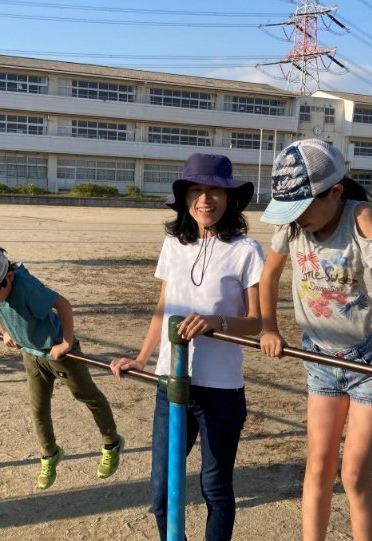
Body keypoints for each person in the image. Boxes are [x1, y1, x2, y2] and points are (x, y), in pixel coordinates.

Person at [258, 139, 372, 541]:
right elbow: (268, 277)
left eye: (304, 206)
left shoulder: (361, 218)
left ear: (336, 192)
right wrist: (269, 328)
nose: (298, 218)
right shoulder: (292, 226)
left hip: (369, 361)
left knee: (354, 474)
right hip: (320, 358)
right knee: (318, 467)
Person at [110, 153, 264, 541]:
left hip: (221, 391)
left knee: (215, 489)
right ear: (185, 198)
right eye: (196, 190)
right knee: (162, 492)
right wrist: (142, 358)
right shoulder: (174, 244)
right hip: (170, 385)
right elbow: (163, 309)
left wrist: (217, 322)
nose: (205, 199)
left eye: (215, 190)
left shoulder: (247, 251)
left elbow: (258, 323)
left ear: (230, 198)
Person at [0, 246, 124, 490]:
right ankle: (50, 453)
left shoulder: (25, 287)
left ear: (9, 279)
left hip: (60, 354)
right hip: (31, 354)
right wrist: (4, 332)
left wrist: (66, 342)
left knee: (88, 396)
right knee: (38, 408)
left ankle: (112, 442)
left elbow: (63, 305)